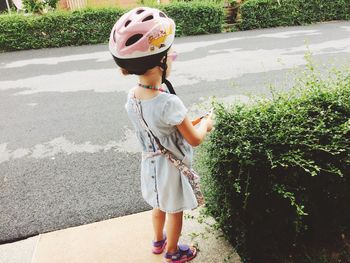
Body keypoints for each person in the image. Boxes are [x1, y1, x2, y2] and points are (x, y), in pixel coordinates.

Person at [109, 7, 213, 263]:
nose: (172, 58)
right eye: (170, 55)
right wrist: (206, 124)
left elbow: (156, 127)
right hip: (171, 170)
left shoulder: (133, 96)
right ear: (159, 63)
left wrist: (189, 122)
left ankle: (158, 241)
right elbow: (195, 139)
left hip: (151, 165)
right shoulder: (169, 103)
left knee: (158, 204)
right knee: (174, 211)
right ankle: (173, 251)